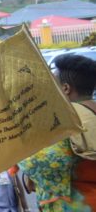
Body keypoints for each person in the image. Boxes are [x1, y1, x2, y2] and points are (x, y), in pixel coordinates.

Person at [18, 54, 96, 211]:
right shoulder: (89, 113)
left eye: (52, 85)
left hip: (76, 204)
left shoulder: (65, 120)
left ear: (65, 88)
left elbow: (42, 165)